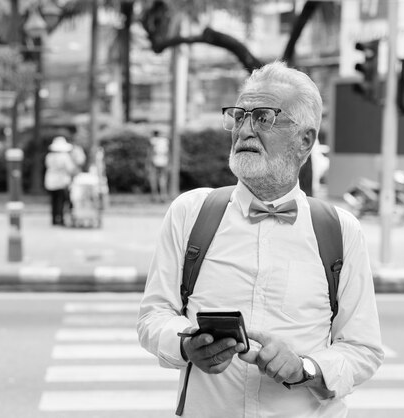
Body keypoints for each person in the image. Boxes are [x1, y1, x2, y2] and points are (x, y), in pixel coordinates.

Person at [137, 61, 384, 417]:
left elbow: (363, 348)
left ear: (305, 139)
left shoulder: (339, 230)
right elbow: (154, 316)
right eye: (239, 116)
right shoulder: (191, 213)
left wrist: (306, 369)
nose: (246, 130)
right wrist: (187, 343)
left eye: (264, 117)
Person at [44, 136, 76, 226]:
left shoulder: (49, 156)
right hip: (61, 181)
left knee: (54, 201)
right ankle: (60, 219)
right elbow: (70, 168)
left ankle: (54, 219)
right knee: (61, 201)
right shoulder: (65, 156)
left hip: (50, 181)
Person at [148, 129, 170, 201]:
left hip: (154, 161)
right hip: (164, 161)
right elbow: (167, 152)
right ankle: (163, 195)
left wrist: (148, 162)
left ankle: (155, 195)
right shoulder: (165, 141)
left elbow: (150, 153)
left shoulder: (153, 141)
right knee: (163, 179)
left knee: (153, 178)